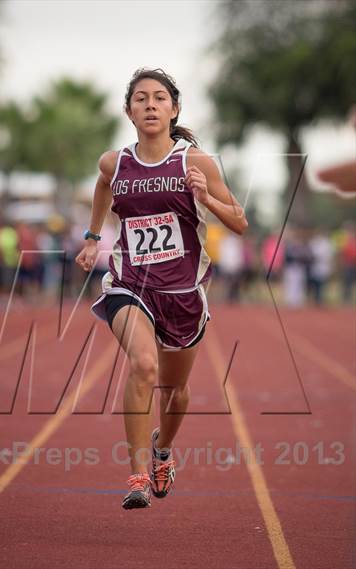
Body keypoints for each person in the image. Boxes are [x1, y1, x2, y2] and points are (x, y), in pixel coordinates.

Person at [75, 68, 248, 510]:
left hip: (183, 294)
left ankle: (163, 450)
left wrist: (206, 198)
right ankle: (136, 478)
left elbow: (241, 223)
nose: (150, 105)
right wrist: (93, 239)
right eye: (140, 99)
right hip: (129, 285)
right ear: (129, 111)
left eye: (159, 98)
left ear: (174, 109)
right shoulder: (115, 163)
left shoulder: (196, 162)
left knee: (175, 391)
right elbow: (101, 186)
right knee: (144, 367)